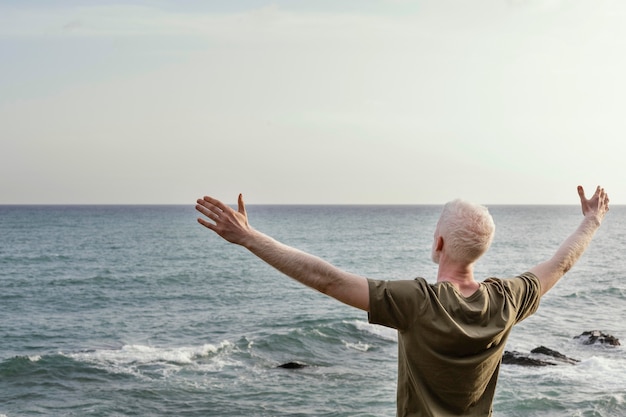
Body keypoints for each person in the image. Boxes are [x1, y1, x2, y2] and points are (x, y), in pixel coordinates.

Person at [195, 185, 609, 416]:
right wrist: (591, 221)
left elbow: (327, 280)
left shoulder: (417, 301)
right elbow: (560, 264)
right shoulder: (507, 300)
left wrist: (249, 237)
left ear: (440, 241)